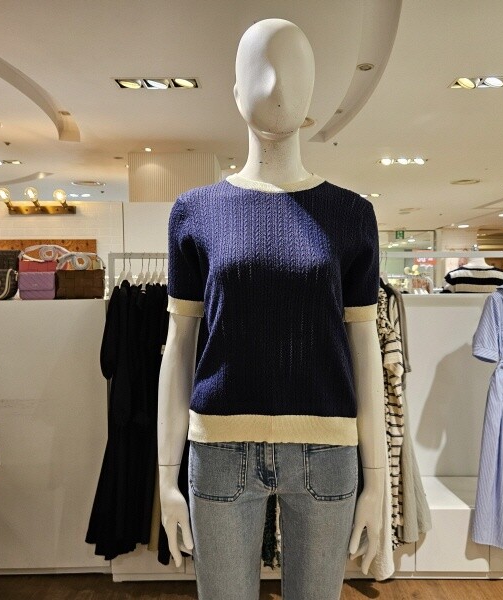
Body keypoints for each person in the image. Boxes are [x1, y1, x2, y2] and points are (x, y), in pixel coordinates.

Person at [158, 18, 386, 599]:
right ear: (236, 94)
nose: (276, 83)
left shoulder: (352, 215)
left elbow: (365, 348)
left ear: (313, 100)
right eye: (259, 69)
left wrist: (378, 479)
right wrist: (165, 477)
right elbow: (179, 345)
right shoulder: (195, 212)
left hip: (328, 453)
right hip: (219, 451)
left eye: (294, 71)